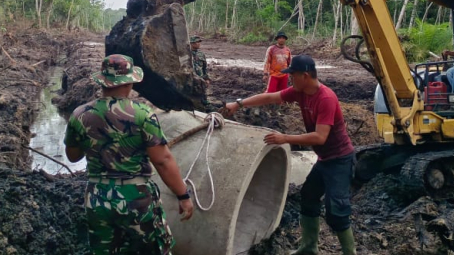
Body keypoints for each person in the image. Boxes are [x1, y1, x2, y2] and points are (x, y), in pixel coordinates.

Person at [223, 55, 357, 255]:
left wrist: (285, 138)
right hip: (324, 159)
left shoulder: (326, 98)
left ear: (305, 75)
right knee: (309, 197)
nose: (290, 79)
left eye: (292, 75)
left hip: (340, 160)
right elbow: (270, 96)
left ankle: (350, 252)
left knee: (337, 211)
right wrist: (239, 104)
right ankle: (309, 247)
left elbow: (320, 137)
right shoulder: (300, 92)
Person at [64, 54, 194, 254]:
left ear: (104, 81)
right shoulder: (142, 114)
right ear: (129, 82)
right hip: (135, 197)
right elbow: (162, 161)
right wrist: (183, 195)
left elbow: (73, 156)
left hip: (97, 198)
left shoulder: (80, 114)